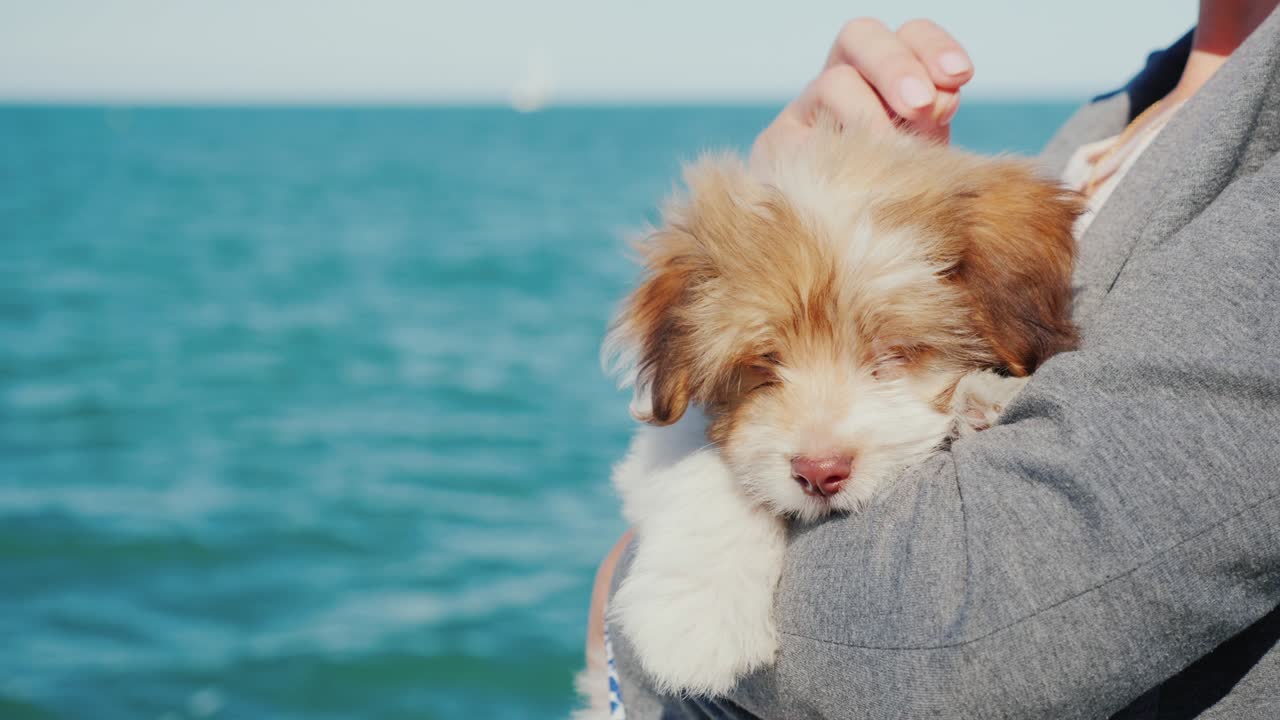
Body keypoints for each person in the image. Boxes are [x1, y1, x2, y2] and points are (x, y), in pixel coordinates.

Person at [588, 0, 1280, 717]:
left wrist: (628, 587)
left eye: (894, 355)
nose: (819, 449)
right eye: (766, 368)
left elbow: (943, 642)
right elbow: (683, 415)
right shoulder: (1109, 126)